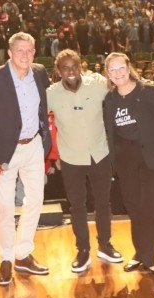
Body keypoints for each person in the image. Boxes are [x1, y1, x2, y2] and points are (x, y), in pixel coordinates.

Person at [0, 32, 52, 286]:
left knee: (36, 200)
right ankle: (6, 259)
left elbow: (44, 107)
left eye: (29, 50)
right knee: (6, 206)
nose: (25, 55)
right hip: (4, 151)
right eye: (20, 50)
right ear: (9, 53)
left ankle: (22, 254)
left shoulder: (40, 72)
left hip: (33, 145)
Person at [103, 52, 154, 278]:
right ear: (107, 74)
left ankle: (150, 258)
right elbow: (112, 133)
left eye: (121, 68)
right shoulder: (110, 99)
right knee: (134, 208)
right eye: (112, 70)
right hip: (126, 160)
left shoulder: (148, 93)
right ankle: (139, 254)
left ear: (129, 68)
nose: (118, 73)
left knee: (151, 208)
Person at [46, 49, 122, 273]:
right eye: (65, 68)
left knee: (103, 203)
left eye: (74, 66)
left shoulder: (97, 84)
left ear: (81, 66)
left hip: (99, 154)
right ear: (58, 71)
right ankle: (83, 250)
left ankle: (105, 245)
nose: (71, 71)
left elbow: (121, 86)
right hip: (70, 159)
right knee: (77, 206)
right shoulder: (50, 94)